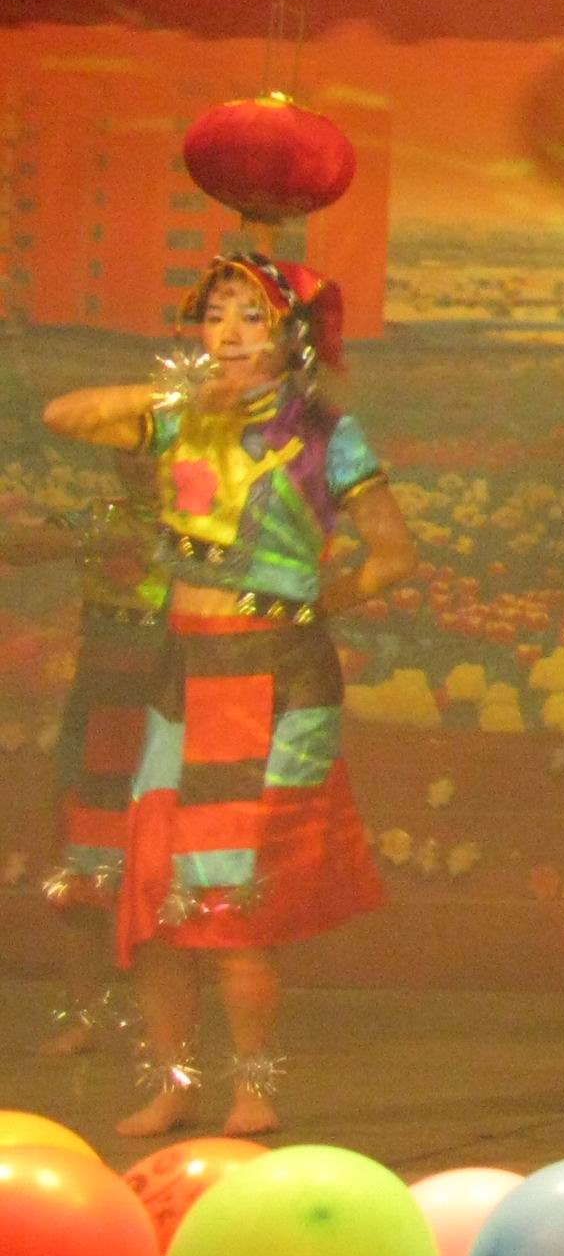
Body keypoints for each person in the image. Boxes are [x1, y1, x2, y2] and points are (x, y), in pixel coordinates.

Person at [41, 253, 415, 1137]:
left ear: (292, 337)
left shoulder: (327, 435)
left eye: (252, 317)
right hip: (182, 675)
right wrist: (177, 395)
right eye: (217, 316)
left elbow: (395, 555)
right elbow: (65, 415)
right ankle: (174, 1083)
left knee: (237, 904)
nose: (231, 334)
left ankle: (253, 1088)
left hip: (276, 680)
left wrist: (311, 603)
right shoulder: (177, 421)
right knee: (155, 896)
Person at [2, 470, 156, 1056]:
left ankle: (161, 1026)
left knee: (161, 873)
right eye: (127, 451)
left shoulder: (202, 520)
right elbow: (17, 546)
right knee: (84, 867)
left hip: (171, 707)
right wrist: (93, 538)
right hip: (99, 708)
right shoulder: (101, 514)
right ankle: (87, 1018)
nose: (139, 463)